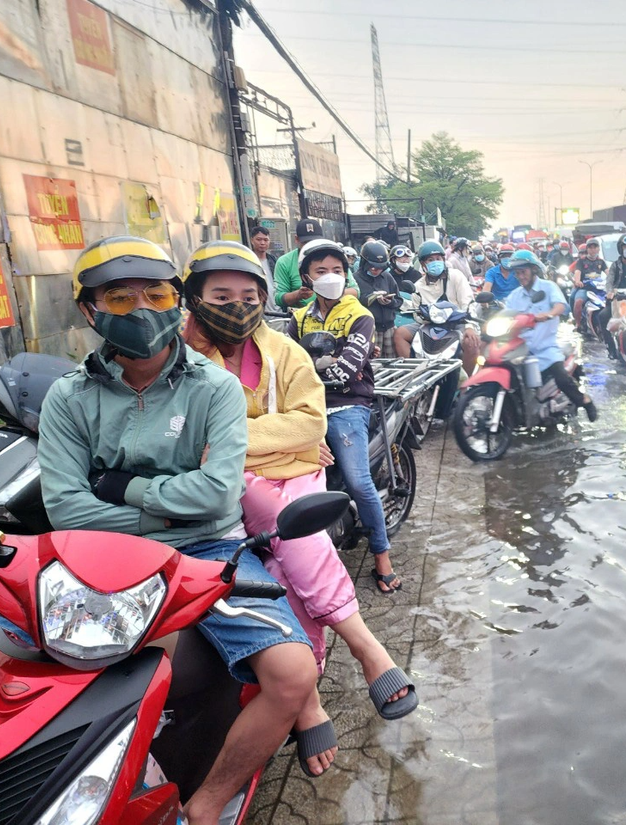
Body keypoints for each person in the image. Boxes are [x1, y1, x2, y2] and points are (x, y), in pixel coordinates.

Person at [34, 235, 322, 823]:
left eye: (156, 293)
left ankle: (209, 801)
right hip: (100, 556)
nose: (141, 309)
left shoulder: (213, 388)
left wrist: (119, 486)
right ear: (90, 310)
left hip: (209, 549)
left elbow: (218, 495)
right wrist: (167, 505)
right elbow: (66, 509)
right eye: (119, 298)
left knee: (293, 674)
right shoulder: (68, 397)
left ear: (177, 302)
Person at [180, 240, 417, 731]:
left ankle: (379, 559)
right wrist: (275, 443)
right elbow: (189, 437)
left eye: (248, 296)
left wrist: (234, 442)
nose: (237, 306)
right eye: (221, 296)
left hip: (317, 446)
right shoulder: (180, 362)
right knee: (284, 542)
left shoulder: (287, 347)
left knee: (349, 480)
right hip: (249, 483)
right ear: (194, 300)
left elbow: (310, 424)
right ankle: (352, 656)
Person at [287, 239, 404, 595]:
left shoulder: (359, 315)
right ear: (307, 277)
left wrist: (312, 369)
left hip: (347, 405)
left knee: (357, 480)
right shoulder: (299, 319)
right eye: (321, 271)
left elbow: (347, 371)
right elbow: (287, 367)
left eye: (336, 270)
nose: (330, 276)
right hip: (306, 407)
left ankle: (382, 555)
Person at [503, 250, 597, 421]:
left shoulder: (548, 287)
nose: (520, 276)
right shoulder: (514, 296)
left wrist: (548, 314)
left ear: (533, 270)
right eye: (517, 273)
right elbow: (505, 315)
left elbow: (561, 306)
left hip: (545, 348)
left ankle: (585, 401)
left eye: (523, 272)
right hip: (521, 350)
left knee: (561, 377)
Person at [394, 240, 480, 373]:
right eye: (430, 259)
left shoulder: (456, 276)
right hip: (430, 325)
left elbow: (468, 302)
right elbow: (418, 315)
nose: (435, 262)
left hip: (458, 322)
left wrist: (469, 327)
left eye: (438, 258)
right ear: (423, 264)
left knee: (472, 342)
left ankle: (464, 383)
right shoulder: (418, 286)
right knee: (400, 333)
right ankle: (415, 374)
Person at [272, 218, 359, 310]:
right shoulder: (284, 262)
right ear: (296, 239)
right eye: (321, 272)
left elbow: (355, 291)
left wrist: (334, 292)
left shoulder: (333, 255)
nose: (311, 245)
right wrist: (298, 295)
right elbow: (278, 298)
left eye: (336, 271)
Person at [355, 240, 403, 357]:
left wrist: (389, 302)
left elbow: (399, 301)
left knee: (392, 363)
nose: (376, 270)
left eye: (380, 268)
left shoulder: (387, 277)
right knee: (371, 363)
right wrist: (370, 298)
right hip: (369, 330)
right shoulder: (356, 280)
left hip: (388, 328)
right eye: (373, 267)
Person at [570, 238, 607, 333]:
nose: (593, 249)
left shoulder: (601, 262)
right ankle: (578, 323)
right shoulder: (581, 261)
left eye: (595, 247)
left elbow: (609, 273)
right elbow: (577, 272)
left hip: (598, 289)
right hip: (585, 288)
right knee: (577, 301)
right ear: (587, 249)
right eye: (590, 247)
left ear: (598, 249)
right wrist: (578, 281)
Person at [250, 225, 279, 307]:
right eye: (259, 239)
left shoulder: (274, 261)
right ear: (252, 240)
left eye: (266, 240)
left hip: (278, 310)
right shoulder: (248, 262)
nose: (262, 243)